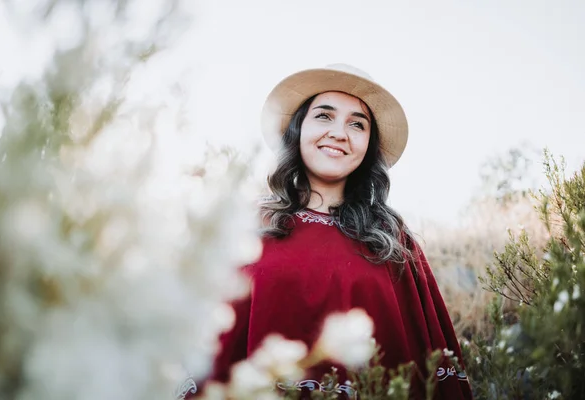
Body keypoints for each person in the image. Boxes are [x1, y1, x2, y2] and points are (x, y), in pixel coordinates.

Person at [191, 64, 473, 399]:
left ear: (369, 144)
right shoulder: (249, 223)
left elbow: (422, 353)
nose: (340, 133)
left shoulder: (391, 238)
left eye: (357, 124)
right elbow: (210, 342)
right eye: (324, 116)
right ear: (298, 130)